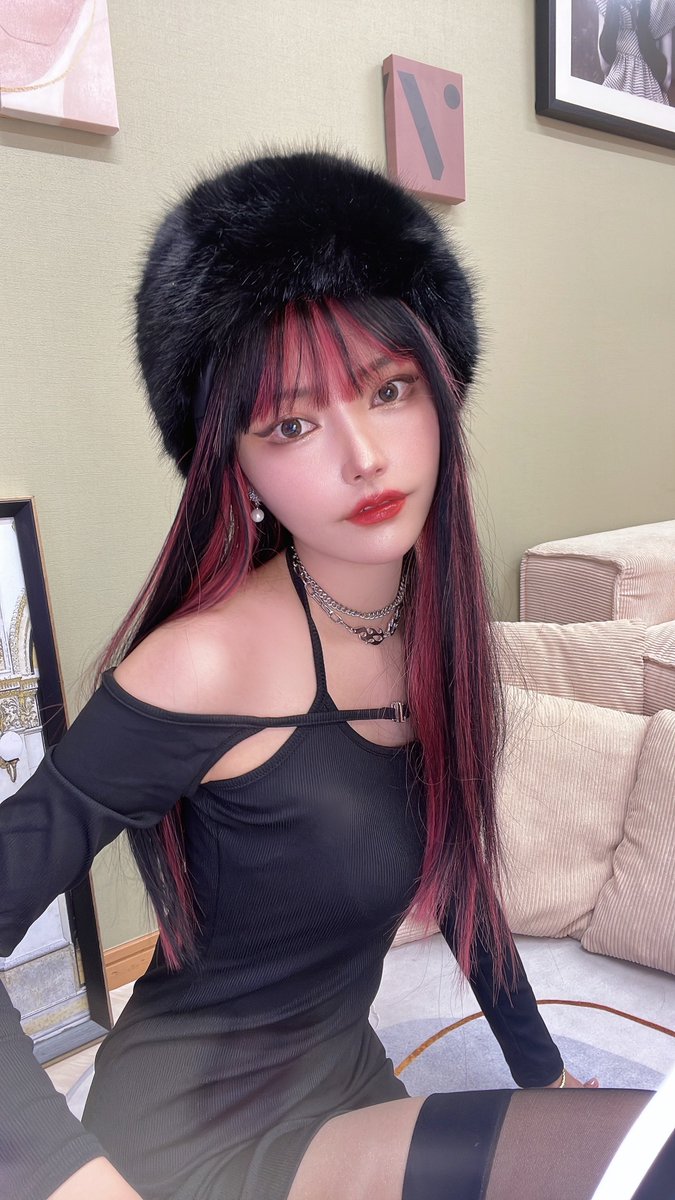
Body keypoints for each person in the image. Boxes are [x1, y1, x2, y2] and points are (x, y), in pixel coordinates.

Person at [1, 150, 672, 1200]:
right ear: (236, 468)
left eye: (387, 389)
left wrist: (538, 1067)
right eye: (292, 424)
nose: (362, 456)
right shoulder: (202, 662)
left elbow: (459, 873)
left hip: (345, 1076)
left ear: (441, 391)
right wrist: (68, 1179)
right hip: (197, 1136)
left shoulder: (433, 628)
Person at [596, 0, 675, 103]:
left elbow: (605, 66)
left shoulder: (606, 3)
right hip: (650, 95)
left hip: (616, 90)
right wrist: (643, 31)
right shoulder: (663, 5)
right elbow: (666, 81)